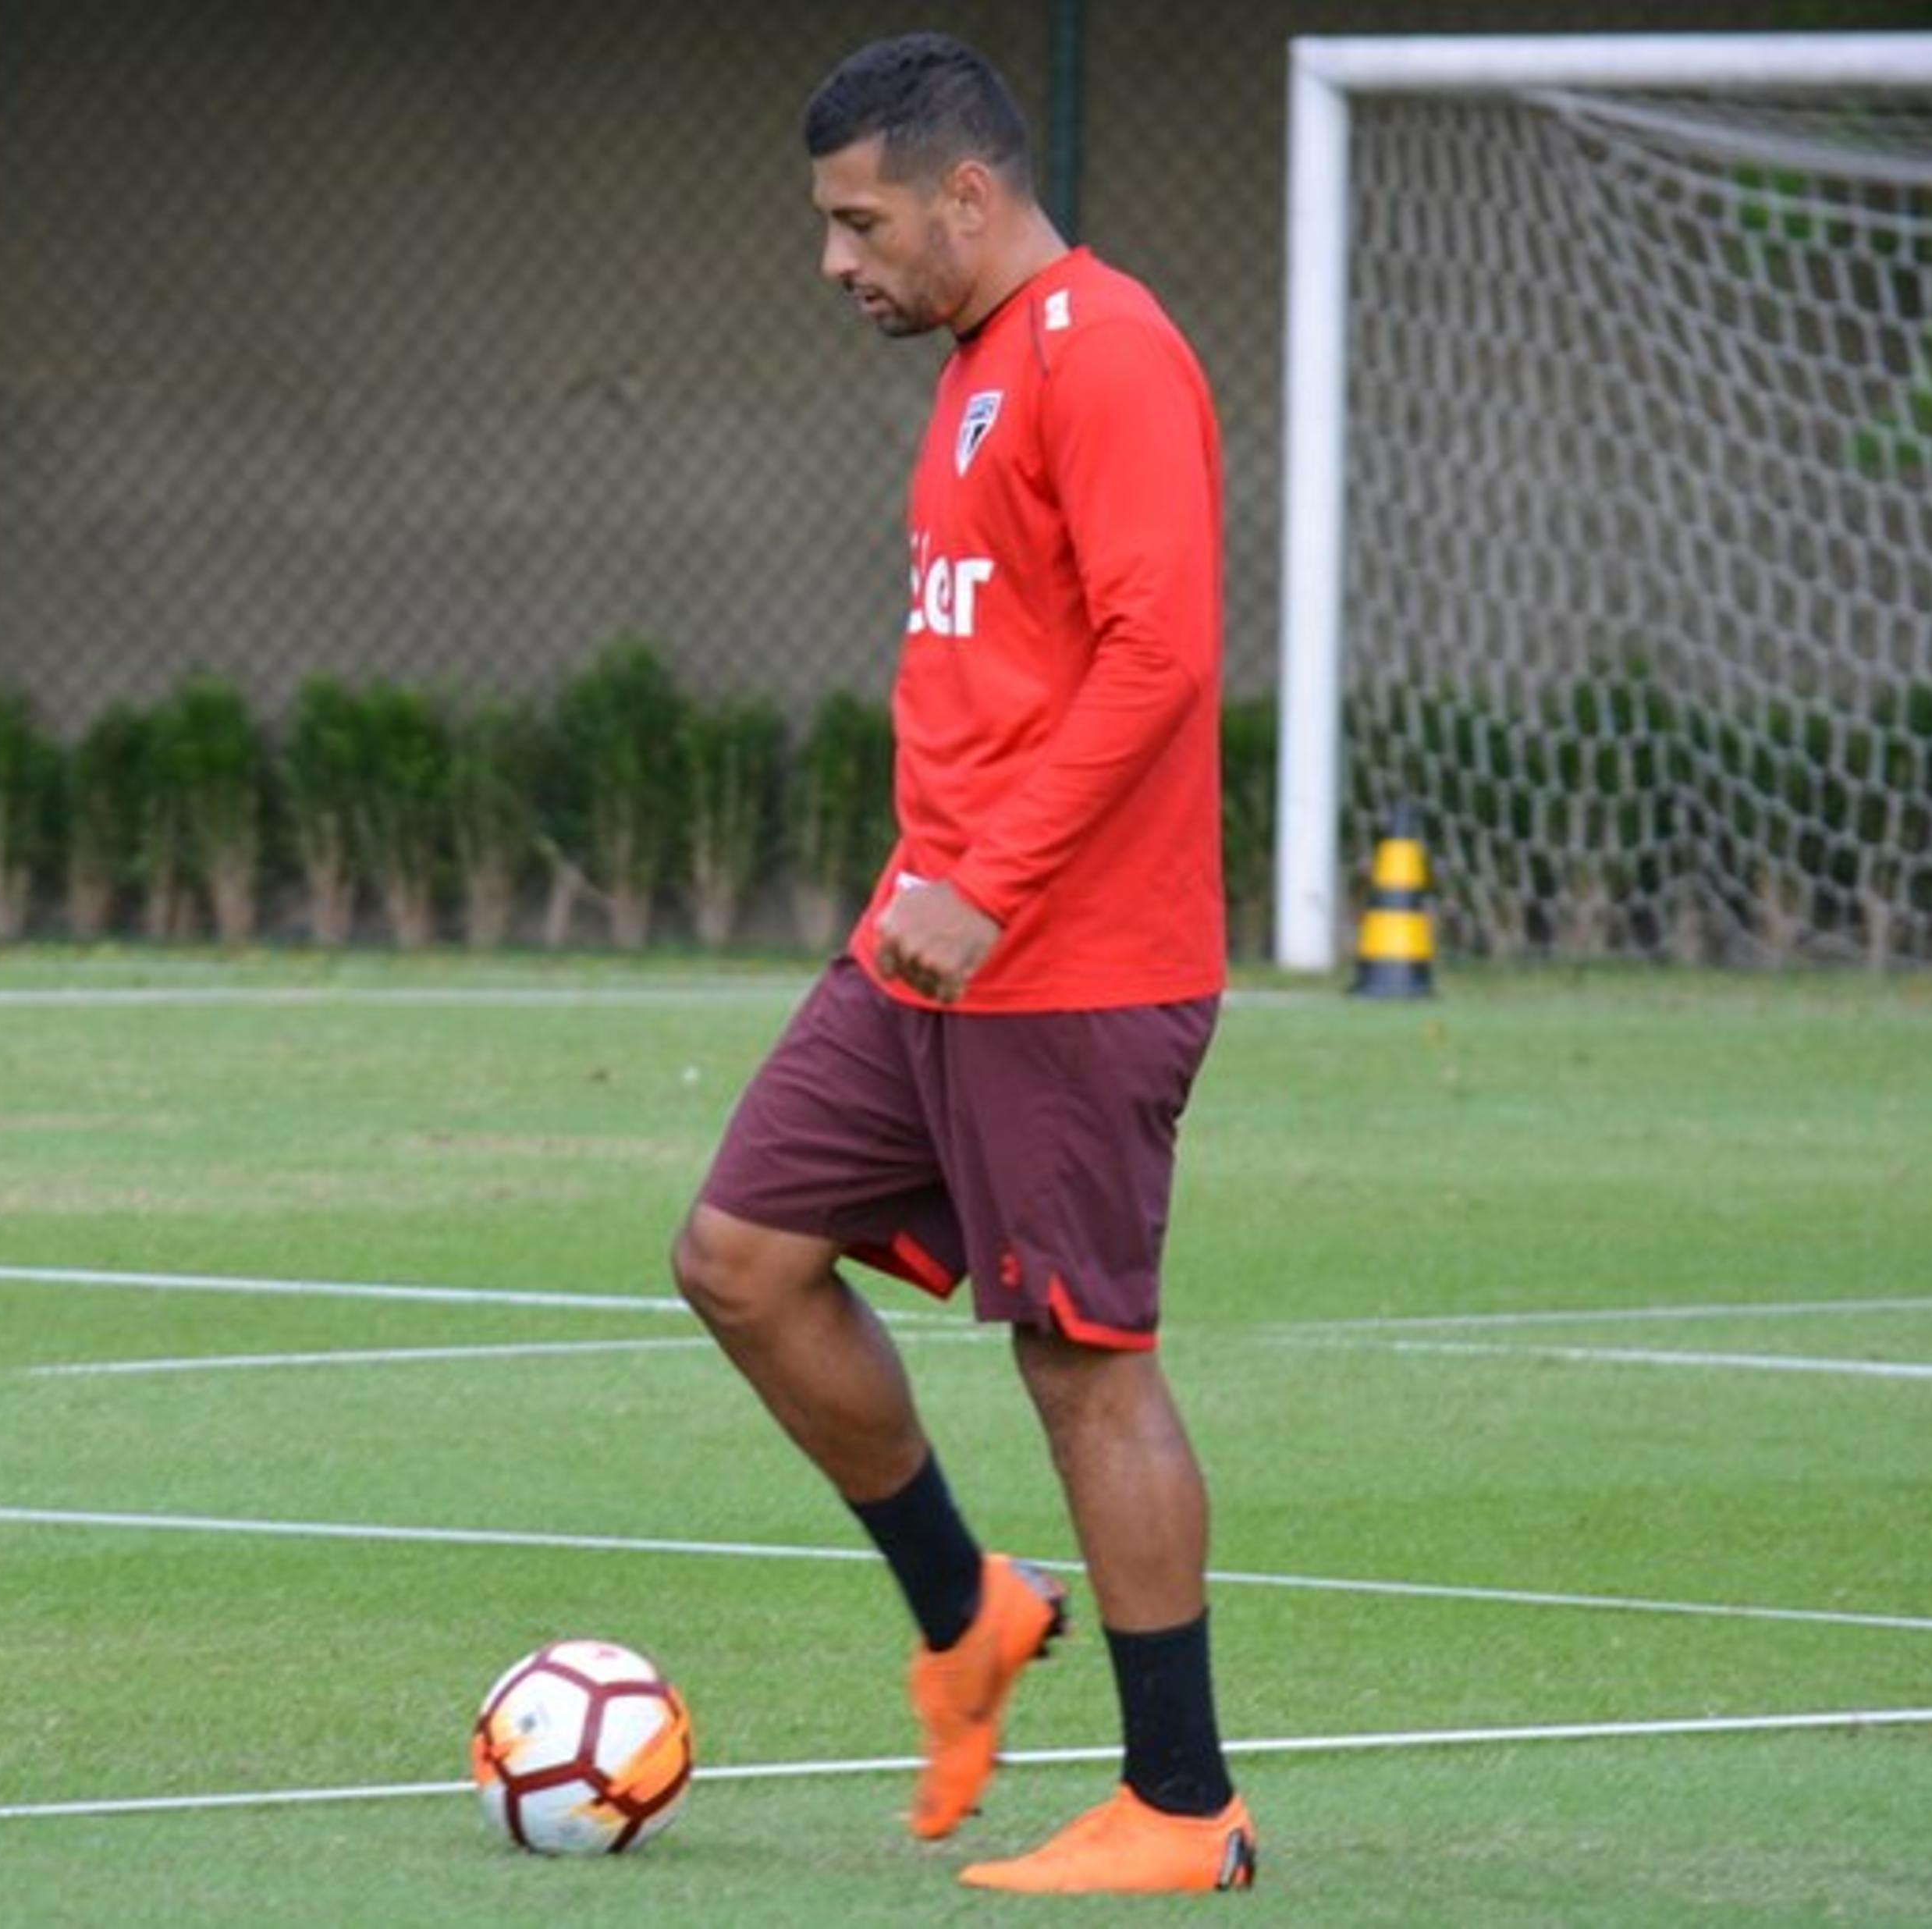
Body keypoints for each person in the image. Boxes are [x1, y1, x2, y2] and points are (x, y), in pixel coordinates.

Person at [669, 31, 1254, 1896]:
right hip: (930, 943)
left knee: (1082, 1362)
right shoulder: (982, 368)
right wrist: (950, 885)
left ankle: (1183, 1807)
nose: (837, 261)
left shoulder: (1112, 351)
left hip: (1067, 958)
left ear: (967, 196)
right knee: (742, 1262)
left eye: (860, 223)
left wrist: (993, 881)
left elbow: (1160, 659)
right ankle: (968, 1609)